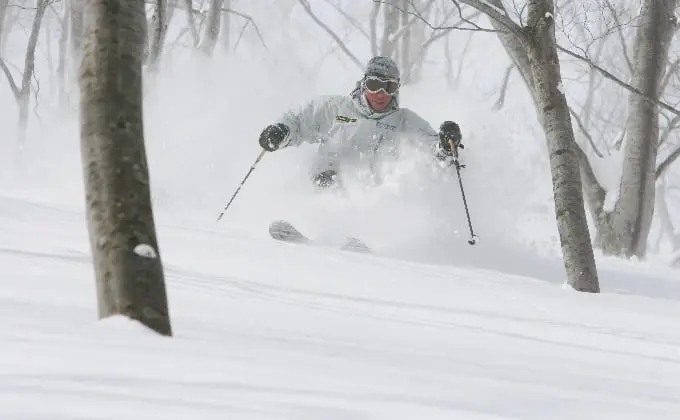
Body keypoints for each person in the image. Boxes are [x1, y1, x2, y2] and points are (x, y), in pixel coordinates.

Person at [258, 56, 464, 189]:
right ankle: (318, 227)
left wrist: (446, 145)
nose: (381, 94)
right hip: (326, 183)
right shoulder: (337, 108)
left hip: (373, 198)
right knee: (331, 186)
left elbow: (432, 149)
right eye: (375, 85)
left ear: (396, 89)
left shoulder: (404, 121)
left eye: (389, 87)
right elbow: (299, 120)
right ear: (364, 84)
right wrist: (281, 132)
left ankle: (365, 238)